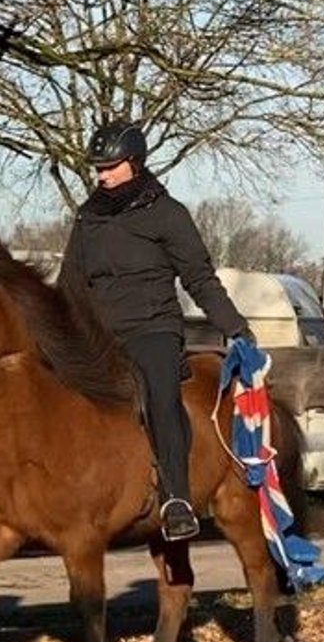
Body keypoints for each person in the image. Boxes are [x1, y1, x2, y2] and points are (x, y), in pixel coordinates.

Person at [57, 119, 256, 541]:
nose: (102, 175)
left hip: (153, 330)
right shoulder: (88, 217)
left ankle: (177, 499)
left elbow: (199, 279)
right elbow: (70, 284)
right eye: (98, 168)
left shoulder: (168, 215)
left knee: (162, 396)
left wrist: (235, 327)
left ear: (134, 162)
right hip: (100, 336)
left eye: (110, 166)